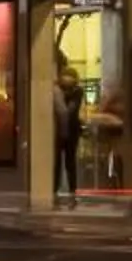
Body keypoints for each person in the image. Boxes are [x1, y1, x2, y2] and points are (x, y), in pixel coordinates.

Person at [51, 60, 83, 207]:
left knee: (70, 163)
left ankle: (72, 194)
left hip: (71, 132)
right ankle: (54, 192)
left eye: (70, 76)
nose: (67, 79)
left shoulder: (77, 91)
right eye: (65, 75)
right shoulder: (56, 90)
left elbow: (70, 110)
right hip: (58, 131)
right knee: (56, 163)